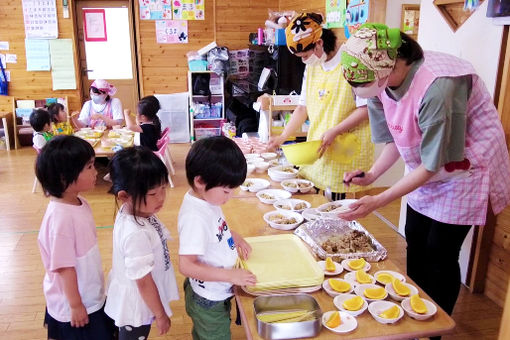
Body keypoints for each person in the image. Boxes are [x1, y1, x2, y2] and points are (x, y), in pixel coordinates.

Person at [339, 23, 510, 321]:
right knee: (415, 237)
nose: (361, 91)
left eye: (363, 83)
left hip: (464, 167)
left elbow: (436, 163)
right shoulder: (379, 85)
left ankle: (436, 326)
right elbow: (397, 138)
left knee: (440, 251)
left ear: (386, 68)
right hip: (428, 163)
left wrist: (378, 201)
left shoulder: (438, 85)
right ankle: (413, 310)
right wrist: (372, 176)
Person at [267, 12, 374, 201]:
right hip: (319, 146)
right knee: (318, 203)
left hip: (346, 147)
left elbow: (365, 109)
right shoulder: (312, 66)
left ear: (319, 43)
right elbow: (302, 108)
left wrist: (336, 130)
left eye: (305, 55)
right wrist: (282, 137)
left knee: (341, 206)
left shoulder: (352, 61)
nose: (304, 60)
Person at [35, 135, 115, 340]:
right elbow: (64, 267)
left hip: (88, 291)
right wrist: (75, 304)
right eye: (89, 167)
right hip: (76, 303)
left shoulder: (79, 202)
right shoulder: (60, 219)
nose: (95, 171)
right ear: (64, 177)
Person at [178, 136, 257, 340]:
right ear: (200, 181)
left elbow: (213, 232)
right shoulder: (195, 217)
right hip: (208, 298)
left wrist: (233, 235)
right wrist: (231, 276)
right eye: (226, 191)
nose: (229, 197)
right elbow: (186, 266)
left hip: (217, 289)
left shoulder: (207, 200)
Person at [104, 146, 178, 339]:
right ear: (124, 196)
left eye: (163, 189)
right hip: (136, 302)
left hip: (140, 294)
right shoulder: (135, 233)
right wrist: (161, 314)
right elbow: (143, 282)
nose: (161, 197)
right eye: (153, 194)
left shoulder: (138, 211)